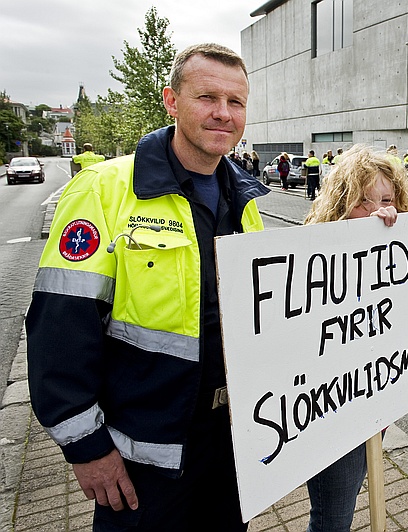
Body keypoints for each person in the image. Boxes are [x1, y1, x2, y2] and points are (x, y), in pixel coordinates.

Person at [26, 43, 268, 531]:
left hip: (232, 442)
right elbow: (60, 329)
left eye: (236, 102)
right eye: (207, 98)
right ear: (172, 101)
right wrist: (86, 448)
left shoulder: (244, 199)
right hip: (141, 460)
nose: (223, 113)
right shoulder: (103, 190)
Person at [303, 145, 408, 531]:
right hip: (329, 411)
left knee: (345, 501)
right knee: (332, 517)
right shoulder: (314, 251)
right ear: (339, 203)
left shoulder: (393, 240)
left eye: (385, 199)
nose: (376, 211)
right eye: (360, 202)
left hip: (372, 402)